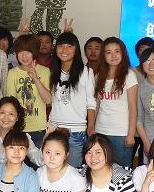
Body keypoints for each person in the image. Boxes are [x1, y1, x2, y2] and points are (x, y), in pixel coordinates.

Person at [49, 32, 97, 168]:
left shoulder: (86, 72)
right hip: (54, 129)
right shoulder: (52, 72)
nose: (64, 50)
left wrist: (91, 126)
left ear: (76, 49)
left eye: (69, 46)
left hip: (75, 131)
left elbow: (91, 102)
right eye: (61, 46)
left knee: (73, 172)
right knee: (54, 169)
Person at [94, 37, 138, 169]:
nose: (113, 55)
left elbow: (133, 107)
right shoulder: (99, 76)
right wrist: (91, 127)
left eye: (117, 51)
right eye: (108, 52)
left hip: (121, 133)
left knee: (123, 171)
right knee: (101, 168)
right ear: (103, 56)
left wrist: (131, 134)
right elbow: (96, 105)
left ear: (123, 53)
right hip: (100, 131)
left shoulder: (129, 75)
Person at [7, 34, 51, 148]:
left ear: (34, 52)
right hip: (18, 128)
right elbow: (11, 103)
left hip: (38, 129)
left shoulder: (45, 71)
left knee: (38, 158)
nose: (24, 56)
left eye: (28, 52)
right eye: (21, 52)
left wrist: (35, 78)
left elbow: (48, 100)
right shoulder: (12, 73)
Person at [0, 96, 43, 167]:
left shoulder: (23, 137)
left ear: (17, 117)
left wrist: (46, 142)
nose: (6, 117)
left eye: (11, 114)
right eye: (2, 113)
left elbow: (38, 160)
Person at [131, 37, 154, 167]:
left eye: (149, 50)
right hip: (132, 127)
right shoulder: (130, 73)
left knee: (146, 164)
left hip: (151, 128)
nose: (145, 53)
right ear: (137, 53)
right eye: (142, 50)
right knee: (127, 161)